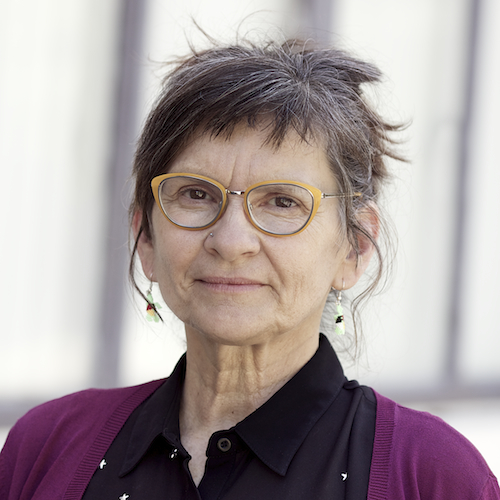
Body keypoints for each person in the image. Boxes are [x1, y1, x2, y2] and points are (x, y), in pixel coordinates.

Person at [1, 38, 499, 500]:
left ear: (354, 247)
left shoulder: (432, 475)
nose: (231, 241)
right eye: (196, 194)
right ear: (145, 237)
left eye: (282, 202)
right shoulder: (45, 447)